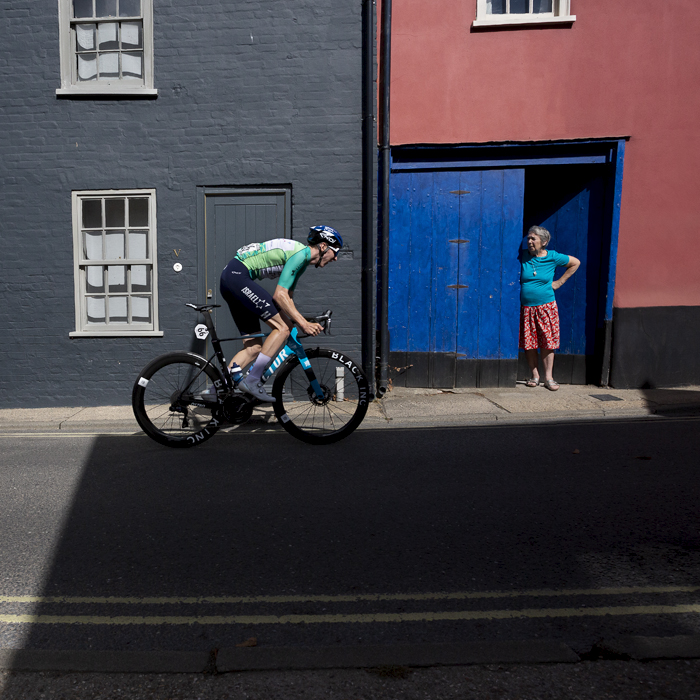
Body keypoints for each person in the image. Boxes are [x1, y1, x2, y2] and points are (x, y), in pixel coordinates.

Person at [218, 225, 343, 402]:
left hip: (231, 277)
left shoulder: (302, 260)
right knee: (283, 328)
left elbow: (287, 299)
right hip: (237, 276)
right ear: (323, 246)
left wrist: (303, 319)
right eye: (335, 251)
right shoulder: (300, 255)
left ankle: (218, 391)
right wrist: (303, 324)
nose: (336, 258)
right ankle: (253, 381)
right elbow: (279, 295)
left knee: (254, 348)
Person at [519, 225, 580, 391]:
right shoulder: (523, 256)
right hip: (527, 308)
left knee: (548, 341)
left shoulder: (552, 257)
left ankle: (548, 377)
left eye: (534, 239)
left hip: (546, 306)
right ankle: (535, 375)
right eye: (529, 238)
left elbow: (575, 263)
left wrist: (559, 282)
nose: (529, 241)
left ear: (544, 242)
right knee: (529, 343)